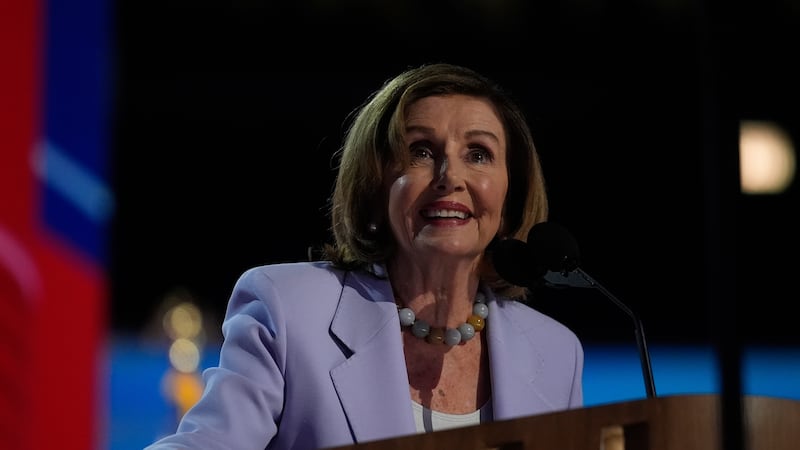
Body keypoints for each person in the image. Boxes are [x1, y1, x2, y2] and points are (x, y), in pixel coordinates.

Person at [144, 62, 583, 450]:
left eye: (478, 154)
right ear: (375, 184)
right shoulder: (289, 312)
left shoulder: (557, 355)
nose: (451, 177)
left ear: (511, 194)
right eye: (421, 152)